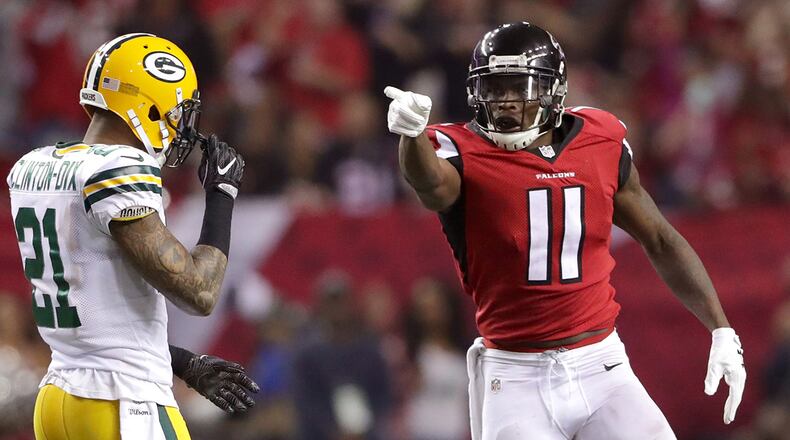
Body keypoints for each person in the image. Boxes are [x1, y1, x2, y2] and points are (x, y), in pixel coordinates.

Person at [384, 22, 746, 439]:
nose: (504, 103)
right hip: (516, 374)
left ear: (553, 90)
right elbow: (429, 185)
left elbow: (660, 238)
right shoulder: (461, 150)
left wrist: (721, 329)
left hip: (602, 365)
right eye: (495, 88)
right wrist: (410, 136)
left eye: (518, 87)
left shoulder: (600, 140)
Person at [7, 33, 257, 440]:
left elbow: (96, 313)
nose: (181, 127)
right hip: (124, 403)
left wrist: (179, 362)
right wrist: (222, 196)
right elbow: (199, 292)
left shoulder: (35, 165)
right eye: (178, 111)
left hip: (58, 399)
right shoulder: (119, 168)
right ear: (151, 103)